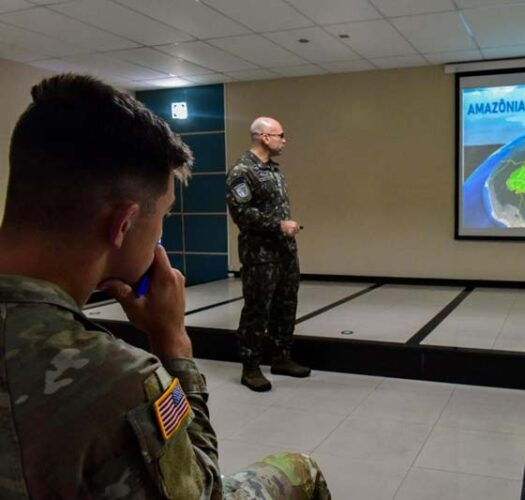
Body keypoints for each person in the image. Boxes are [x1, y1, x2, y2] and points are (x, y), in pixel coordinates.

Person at [0, 74, 330, 499]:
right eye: (163, 217)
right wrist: (172, 343)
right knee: (300, 468)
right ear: (122, 224)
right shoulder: (117, 382)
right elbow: (199, 491)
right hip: (259, 256)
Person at [226, 117, 309, 392]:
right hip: (260, 256)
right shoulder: (241, 171)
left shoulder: (273, 170)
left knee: (286, 306)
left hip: (285, 253)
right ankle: (250, 368)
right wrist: (278, 225)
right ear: (264, 137)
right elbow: (242, 213)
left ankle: (281, 358)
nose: (284, 140)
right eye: (280, 135)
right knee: (257, 311)